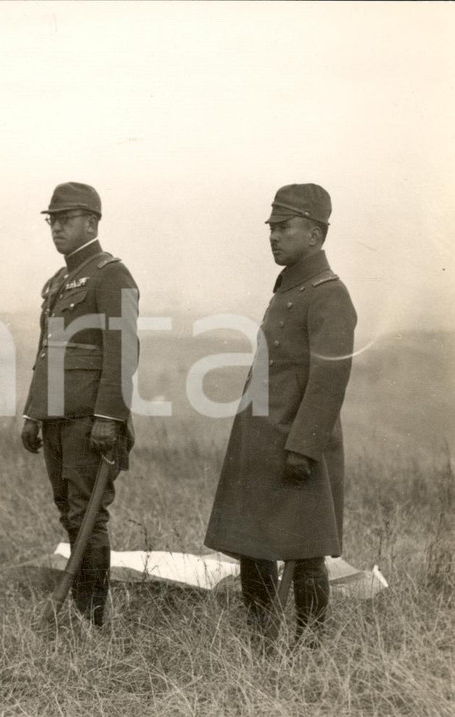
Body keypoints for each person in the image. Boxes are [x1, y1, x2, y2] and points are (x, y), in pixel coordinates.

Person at [204, 183, 357, 648]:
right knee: (253, 546)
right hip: (261, 443)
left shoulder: (329, 294)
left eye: (284, 227)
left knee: (306, 551)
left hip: (295, 444)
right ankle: (262, 643)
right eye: (271, 227)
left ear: (315, 234)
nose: (273, 236)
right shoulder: (289, 289)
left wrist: (303, 449)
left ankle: (309, 649)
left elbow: (329, 380)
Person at [21, 182, 139, 627]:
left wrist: (109, 417)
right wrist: (34, 413)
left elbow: (122, 351)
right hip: (55, 416)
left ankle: (93, 619)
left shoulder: (111, 275)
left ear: (91, 223)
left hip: (90, 420)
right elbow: (47, 352)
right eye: (52, 220)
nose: (56, 228)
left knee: (87, 515)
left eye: (66, 220)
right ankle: (81, 612)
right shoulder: (60, 281)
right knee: (69, 513)